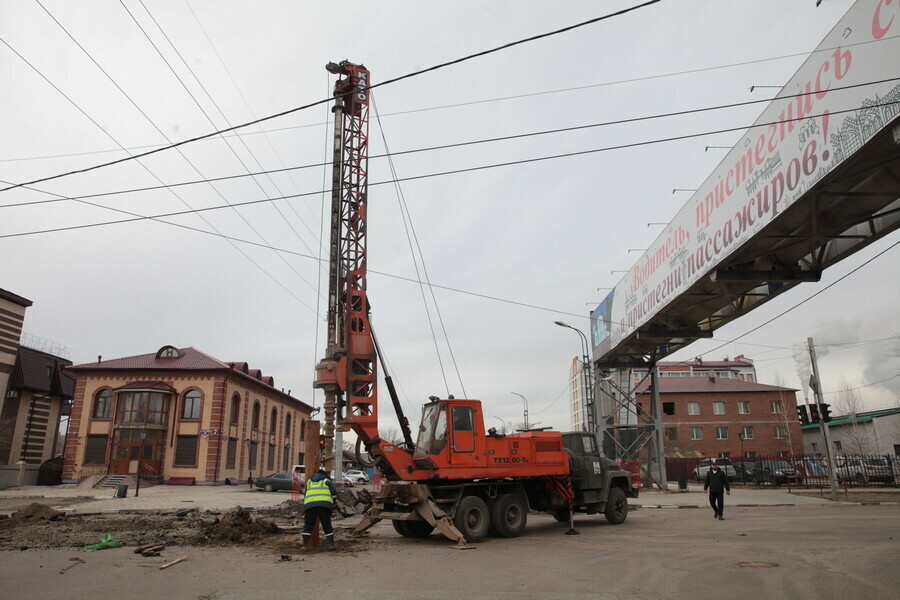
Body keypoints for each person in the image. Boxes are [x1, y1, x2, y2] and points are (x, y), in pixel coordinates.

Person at [302, 467, 337, 548]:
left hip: (309, 505)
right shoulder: (326, 481)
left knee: (308, 525)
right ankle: (331, 544)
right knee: (327, 524)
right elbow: (334, 492)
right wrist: (333, 502)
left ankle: (305, 545)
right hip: (324, 506)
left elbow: (305, 493)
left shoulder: (309, 481)